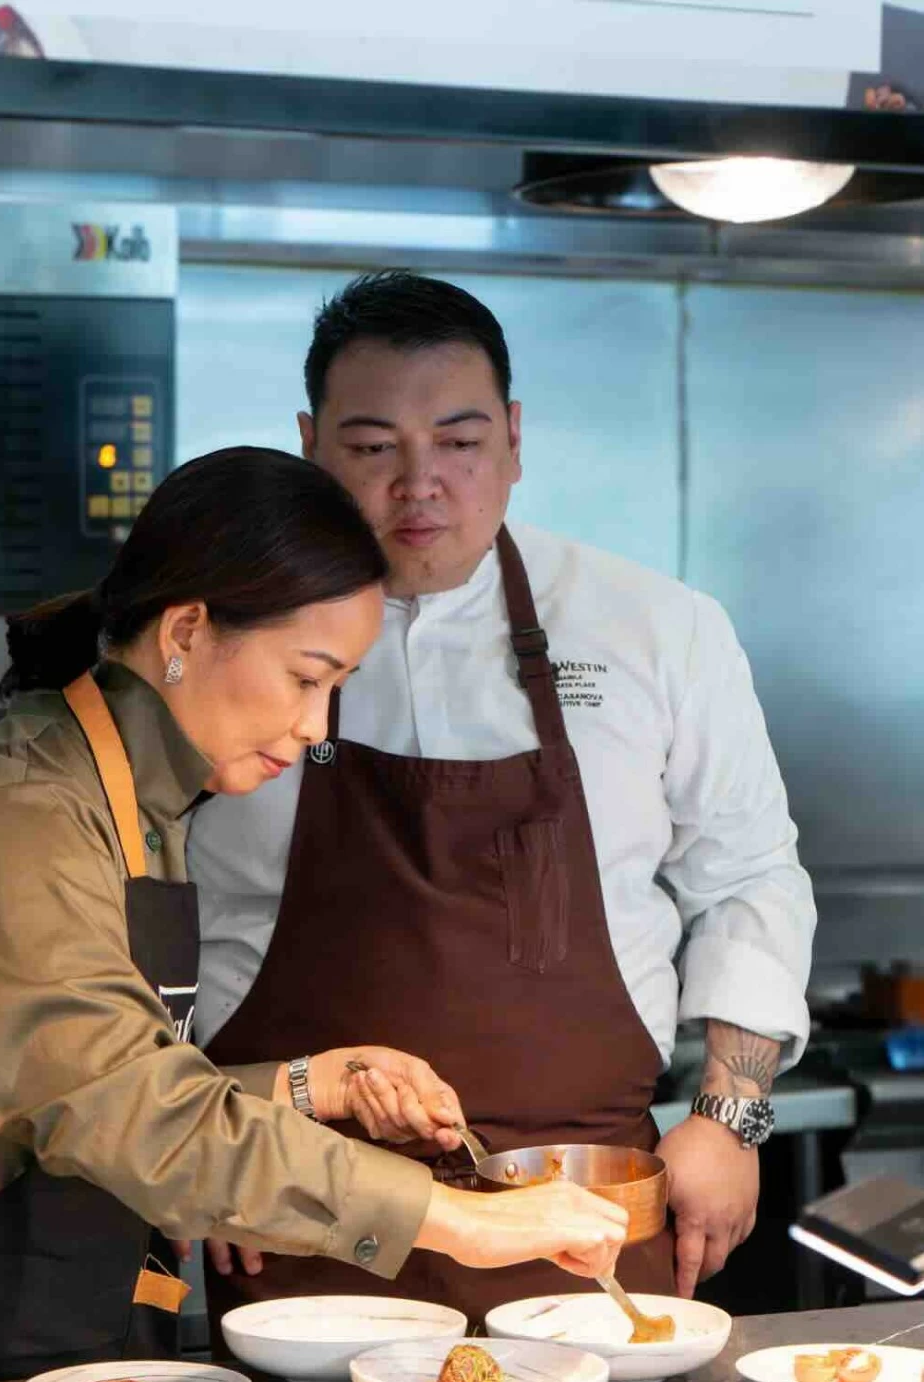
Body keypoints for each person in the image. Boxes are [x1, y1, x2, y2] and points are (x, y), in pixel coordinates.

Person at [0, 446, 628, 1382]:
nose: (318, 727)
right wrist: (455, 1219)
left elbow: (99, 1069)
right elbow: (119, 1107)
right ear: (187, 630)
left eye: (337, 688)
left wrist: (313, 1084)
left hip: (26, 1322)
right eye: (306, 677)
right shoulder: (16, 816)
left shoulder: (140, 809)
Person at [188, 276, 817, 1327]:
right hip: (298, 1196)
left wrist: (730, 1114)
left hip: (583, 1202)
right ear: (309, 446)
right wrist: (193, 1141)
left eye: (461, 441)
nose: (420, 485)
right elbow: (129, 910)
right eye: (373, 446)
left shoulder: (657, 627)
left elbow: (749, 874)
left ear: (516, 439)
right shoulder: (220, 638)